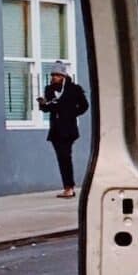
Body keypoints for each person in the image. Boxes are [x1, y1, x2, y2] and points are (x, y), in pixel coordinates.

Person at [39, 62, 88, 198]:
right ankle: (67, 186)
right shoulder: (49, 89)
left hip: (68, 129)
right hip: (55, 130)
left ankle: (69, 187)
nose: (53, 77)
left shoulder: (74, 89)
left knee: (65, 156)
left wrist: (72, 113)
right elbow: (48, 108)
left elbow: (84, 106)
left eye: (56, 75)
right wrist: (43, 104)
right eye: (52, 75)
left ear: (63, 76)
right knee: (62, 158)